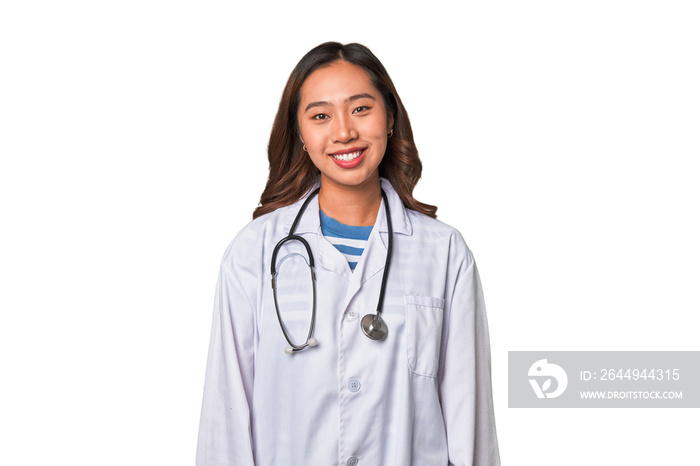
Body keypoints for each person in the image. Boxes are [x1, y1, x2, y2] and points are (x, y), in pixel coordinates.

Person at [196, 42, 500, 466]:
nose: (343, 132)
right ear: (300, 134)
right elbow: (224, 421)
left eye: (360, 109)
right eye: (321, 116)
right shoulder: (254, 253)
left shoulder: (444, 254)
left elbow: (471, 419)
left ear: (390, 118)